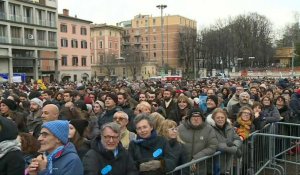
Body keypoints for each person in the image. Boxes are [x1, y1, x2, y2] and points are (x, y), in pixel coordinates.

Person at [178, 108, 218, 174]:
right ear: (189, 118)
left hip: (201, 168)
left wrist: (196, 158)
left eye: (198, 117)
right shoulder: (180, 128)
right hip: (182, 167)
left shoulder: (209, 129)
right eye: (193, 117)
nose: (196, 119)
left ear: (202, 118)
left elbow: (212, 146)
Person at [210, 108, 242, 174]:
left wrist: (235, 145)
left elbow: (237, 138)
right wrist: (234, 149)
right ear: (213, 119)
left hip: (228, 160)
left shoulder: (229, 127)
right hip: (216, 162)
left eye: (222, 117)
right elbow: (215, 144)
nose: (220, 119)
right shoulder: (209, 129)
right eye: (218, 118)